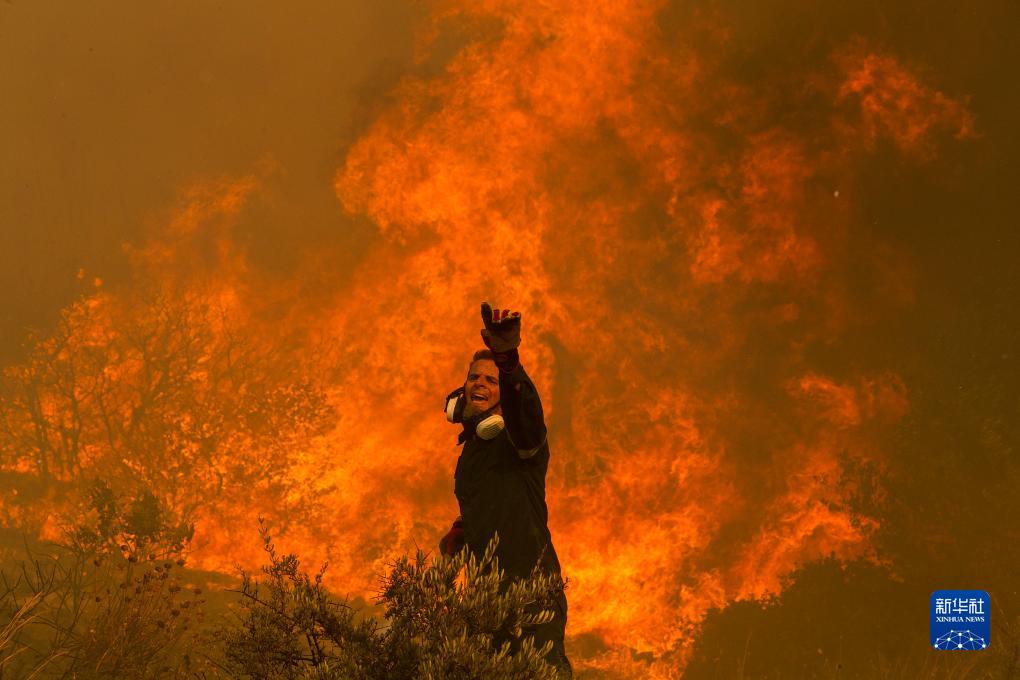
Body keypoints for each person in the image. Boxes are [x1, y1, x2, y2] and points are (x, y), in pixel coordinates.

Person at [438, 302, 572, 676]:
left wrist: (508, 362)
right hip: (487, 597)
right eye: (474, 378)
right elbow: (491, 499)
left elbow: (525, 412)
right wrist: (464, 529)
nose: (479, 383)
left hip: (532, 594)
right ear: (460, 393)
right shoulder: (474, 449)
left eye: (490, 380)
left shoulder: (520, 439)